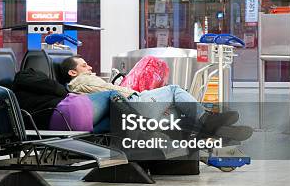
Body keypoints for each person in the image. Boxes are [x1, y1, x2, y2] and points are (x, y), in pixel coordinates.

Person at [61, 55, 250, 138]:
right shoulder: (81, 82)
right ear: (72, 72)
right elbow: (115, 94)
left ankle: (214, 129)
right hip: (131, 105)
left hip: (127, 105)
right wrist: (139, 91)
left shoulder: (86, 82)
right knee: (174, 91)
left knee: (175, 106)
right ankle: (207, 119)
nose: (90, 67)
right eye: (84, 65)